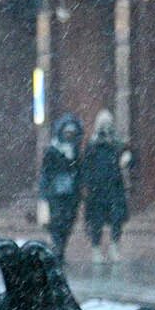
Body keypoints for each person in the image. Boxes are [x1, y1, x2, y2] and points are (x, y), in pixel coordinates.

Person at [80, 108, 130, 263]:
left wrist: (127, 159)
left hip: (115, 187)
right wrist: (88, 185)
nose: (105, 126)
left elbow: (129, 159)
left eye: (108, 123)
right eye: (103, 123)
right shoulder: (93, 144)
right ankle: (96, 249)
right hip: (98, 190)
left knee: (116, 220)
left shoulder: (118, 143)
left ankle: (114, 247)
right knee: (97, 221)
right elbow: (86, 167)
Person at [39, 113, 84, 262]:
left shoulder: (76, 152)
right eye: (67, 133)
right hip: (56, 193)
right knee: (57, 222)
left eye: (72, 133)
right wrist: (44, 193)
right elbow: (46, 172)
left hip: (71, 194)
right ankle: (57, 249)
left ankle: (61, 248)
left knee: (68, 222)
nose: (69, 136)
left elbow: (79, 171)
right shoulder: (52, 150)